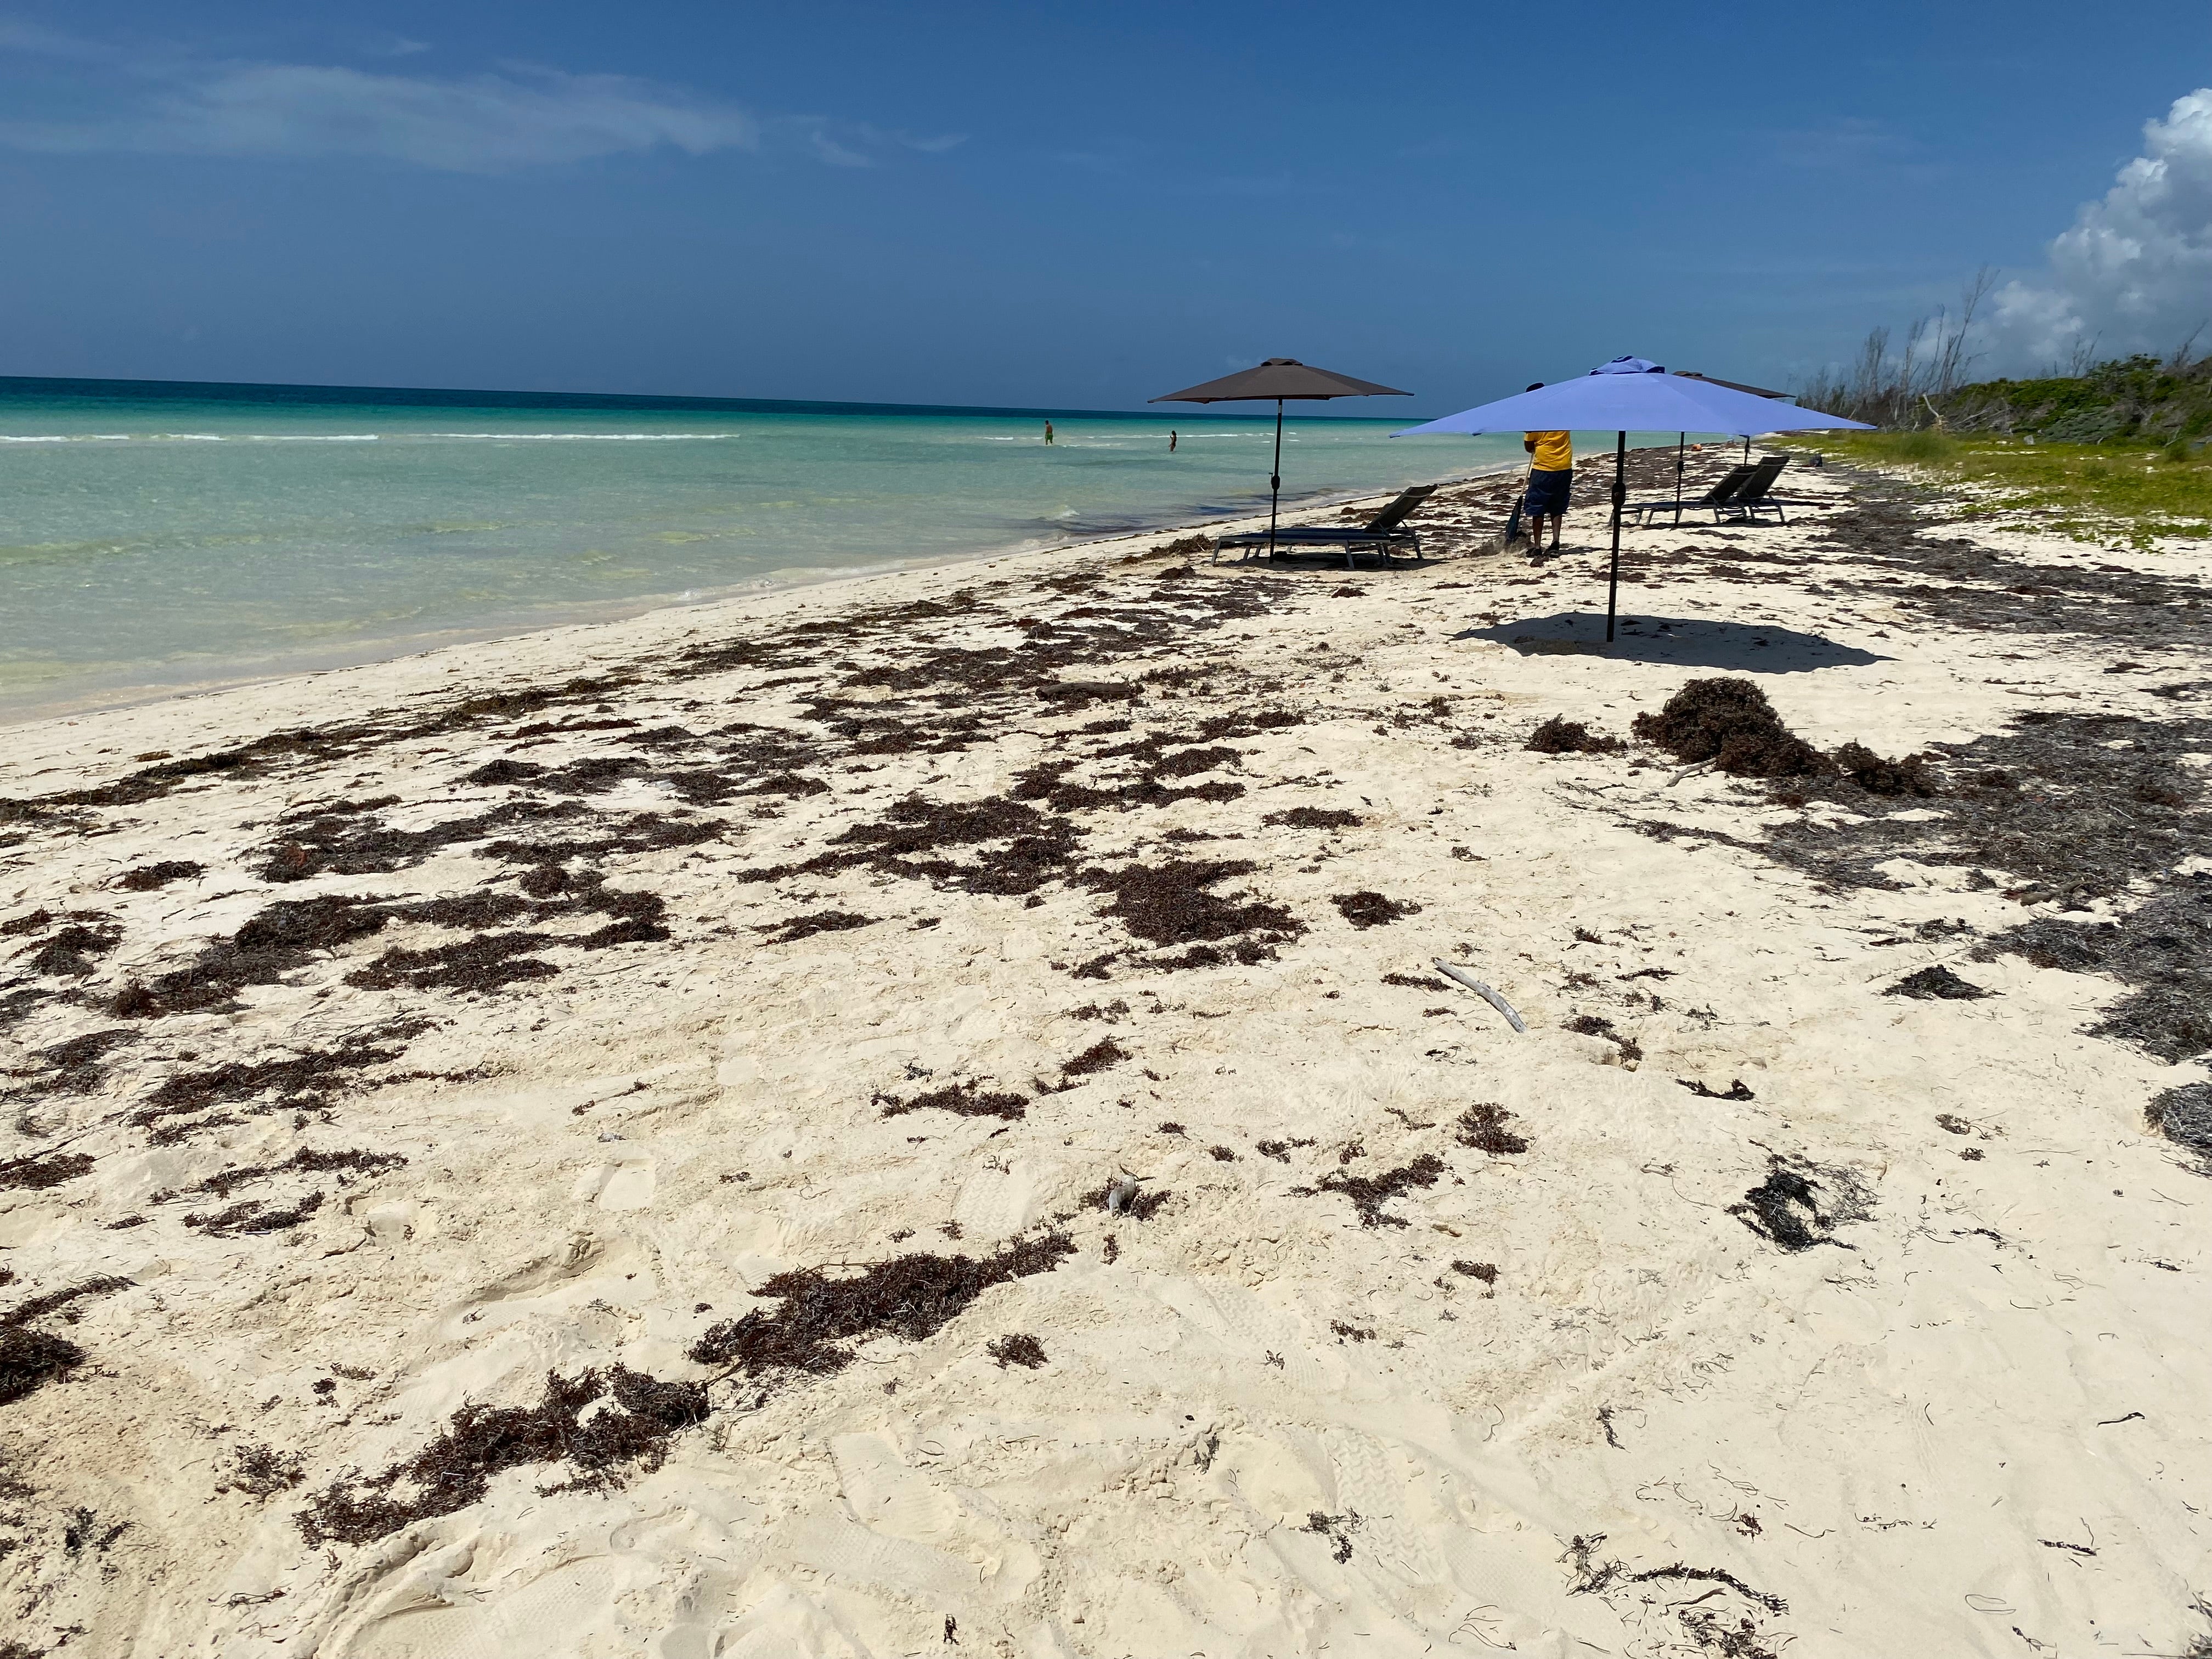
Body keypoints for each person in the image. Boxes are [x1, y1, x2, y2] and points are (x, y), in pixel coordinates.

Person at [1520, 384, 1571, 554]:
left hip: (1543, 468)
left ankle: (1537, 546)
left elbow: (1529, 447)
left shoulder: (1534, 420)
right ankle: (1556, 542)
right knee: (1557, 506)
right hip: (1564, 466)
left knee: (1538, 507)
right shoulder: (1563, 414)